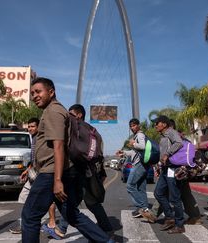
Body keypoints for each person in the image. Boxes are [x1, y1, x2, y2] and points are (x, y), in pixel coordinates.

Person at [21, 77, 111, 243]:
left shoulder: (53, 111)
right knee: (71, 214)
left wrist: (57, 180)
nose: (34, 96)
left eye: (38, 91)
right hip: (59, 170)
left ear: (51, 92)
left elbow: (59, 146)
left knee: (29, 216)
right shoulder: (55, 110)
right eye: (32, 93)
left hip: (51, 172)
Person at [54, 104, 114, 238]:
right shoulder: (93, 130)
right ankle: (106, 227)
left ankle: (62, 229)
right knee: (88, 202)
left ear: (79, 115)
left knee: (77, 202)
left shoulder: (77, 128)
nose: (68, 116)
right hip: (90, 170)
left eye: (71, 113)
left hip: (79, 169)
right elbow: (99, 153)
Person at [116, 118, 156, 222]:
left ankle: (143, 208)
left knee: (130, 186)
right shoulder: (136, 136)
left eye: (134, 125)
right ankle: (144, 208)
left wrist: (133, 143)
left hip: (139, 164)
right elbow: (135, 152)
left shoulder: (140, 135)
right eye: (131, 126)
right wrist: (124, 152)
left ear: (138, 125)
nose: (132, 127)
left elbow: (142, 147)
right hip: (142, 164)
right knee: (141, 188)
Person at [153, 115, 186, 234]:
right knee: (158, 193)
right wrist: (159, 164)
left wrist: (167, 153)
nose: (156, 125)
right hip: (165, 169)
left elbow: (179, 143)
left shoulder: (171, 132)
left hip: (173, 168)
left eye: (158, 123)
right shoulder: (163, 136)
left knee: (175, 197)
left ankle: (180, 225)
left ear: (165, 124)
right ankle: (170, 217)